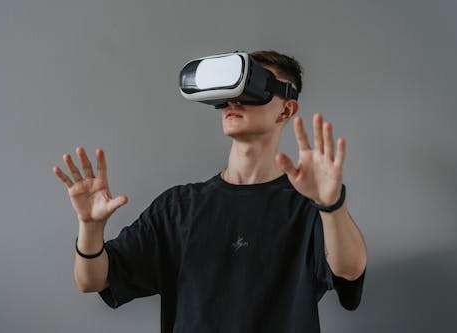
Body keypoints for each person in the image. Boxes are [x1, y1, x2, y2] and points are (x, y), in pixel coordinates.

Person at [53, 50, 367, 333]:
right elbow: (92, 279)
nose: (233, 101)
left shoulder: (309, 207)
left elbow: (350, 269)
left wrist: (331, 204)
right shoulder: (178, 207)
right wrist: (90, 228)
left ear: (285, 111)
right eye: (229, 91)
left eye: (251, 89)